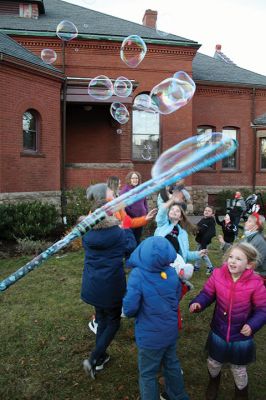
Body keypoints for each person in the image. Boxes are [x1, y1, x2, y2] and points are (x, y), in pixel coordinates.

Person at [189, 242, 266, 400]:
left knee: (238, 369)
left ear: (249, 265)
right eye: (230, 257)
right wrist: (198, 303)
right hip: (219, 331)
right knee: (213, 362)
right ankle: (214, 382)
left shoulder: (256, 283)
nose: (232, 261)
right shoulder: (218, 274)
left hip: (241, 337)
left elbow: (262, 309)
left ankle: (241, 392)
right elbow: (207, 294)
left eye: (238, 259)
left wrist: (252, 325)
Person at [123, 236, 190, 400]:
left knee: (147, 373)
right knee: (171, 364)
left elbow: (130, 309)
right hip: (170, 330)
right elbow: (176, 297)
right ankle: (178, 396)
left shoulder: (137, 275)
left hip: (149, 337)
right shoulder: (171, 273)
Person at [86, 181, 157, 335]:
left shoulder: (117, 207)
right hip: (103, 259)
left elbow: (128, 222)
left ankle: (108, 314)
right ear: (103, 196)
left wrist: (146, 219)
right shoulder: (96, 214)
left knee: (111, 285)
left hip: (114, 257)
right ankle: (99, 319)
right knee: (101, 287)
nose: (114, 192)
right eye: (110, 191)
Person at [81, 199, 137, 379]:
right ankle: (93, 358)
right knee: (113, 321)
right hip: (111, 286)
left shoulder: (86, 233)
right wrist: (127, 229)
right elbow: (131, 248)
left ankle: (100, 357)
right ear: (109, 214)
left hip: (92, 285)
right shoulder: (118, 233)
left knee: (102, 319)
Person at [154, 193, 206, 264]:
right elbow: (162, 211)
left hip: (174, 264)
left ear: (181, 217)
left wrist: (197, 254)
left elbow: (185, 254)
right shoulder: (162, 224)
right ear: (168, 213)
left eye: (177, 211)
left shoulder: (183, 234)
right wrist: (172, 200)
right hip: (158, 260)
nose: (174, 211)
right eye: (172, 209)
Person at [219, 212, 266, 284]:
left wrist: (237, 267)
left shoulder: (258, 241)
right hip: (245, 269)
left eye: (249, 221)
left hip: (258, 275)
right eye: (247, 220)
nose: (246, 222)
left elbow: (256, 263)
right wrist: (224, 244)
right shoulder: (247, 236)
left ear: (256, 226)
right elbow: (236, 249)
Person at [120, 171, 149, 244]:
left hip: (141, 218)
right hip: (131, 219)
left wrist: (146, 211)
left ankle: (137, 253)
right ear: (129, 179)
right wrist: (132, 213)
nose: (135, 180)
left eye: (136, 178)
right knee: (131, 239)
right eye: (133, 178)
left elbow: (145, 202)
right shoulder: (125, 191)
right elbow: (124, 206)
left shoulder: (141, 189)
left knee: (138, 237)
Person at [194, 206, 216, 274]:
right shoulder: (203, 219)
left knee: (203, 254)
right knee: (198, 253)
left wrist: (204, 245)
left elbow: (211, 233)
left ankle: (210, 267)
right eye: (205, 210)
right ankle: (196, 266)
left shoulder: (211, 222)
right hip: (200, 241)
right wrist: (195, 230)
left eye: (209, 211)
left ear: (212, 214)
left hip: (204, 242)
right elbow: (198, 226)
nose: (206, 211)